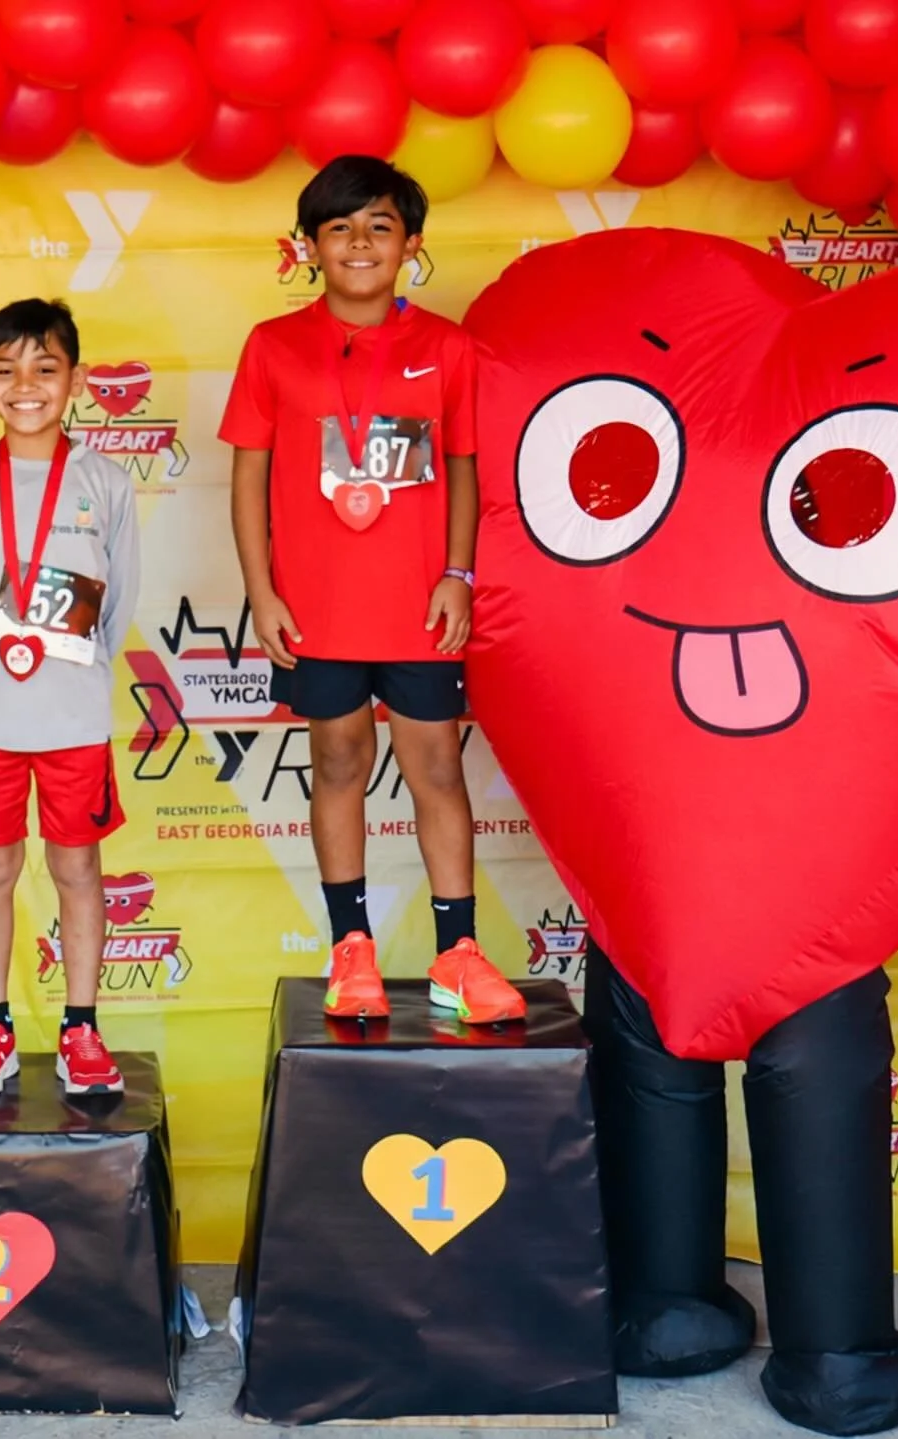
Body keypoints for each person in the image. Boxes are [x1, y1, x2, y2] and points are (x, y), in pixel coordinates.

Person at [221, 154, 523, 1025]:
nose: (360, 243)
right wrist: (262, 591)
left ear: (411, 245)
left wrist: (459, 575)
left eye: (380, 227)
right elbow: (249, 478)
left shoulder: (447, 346)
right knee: (339, 761)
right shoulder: (273, 347)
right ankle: (350, 946)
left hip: (420, 604)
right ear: (309, 246)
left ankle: (457, 953)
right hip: (315, 605)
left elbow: (463, 467)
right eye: (340, 227)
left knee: (436, 767)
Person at [0, 297, 140, 1098]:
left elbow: (119, 602)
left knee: (79, 867)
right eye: (7, 370)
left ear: (75, 380)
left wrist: (65, 667)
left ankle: (82, 1026)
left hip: (73, 716)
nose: (27, 386)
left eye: (45, 369)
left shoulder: (104, 481)